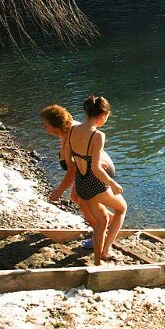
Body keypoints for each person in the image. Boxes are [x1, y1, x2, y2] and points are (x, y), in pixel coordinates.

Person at [57, 95, 127, 265]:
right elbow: (96, 169)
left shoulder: (72, 130)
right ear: (103, 115)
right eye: (107, 117)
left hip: (81, 185)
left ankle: (98, 260)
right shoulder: (98, 135)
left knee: (101, 223)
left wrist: (84, 162)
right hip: (95, 185)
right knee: (121, 209)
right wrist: (112, 183)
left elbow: (68, 161)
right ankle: (105, 251)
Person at [41, 104, 115, 232]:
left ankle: (100, 231)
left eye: (47, 125)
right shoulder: (66, 131)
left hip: (98, 170)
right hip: (87, 169)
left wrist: (58, 192)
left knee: (84, 203)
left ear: (56, 125)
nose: (45, 128)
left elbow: (72, 170)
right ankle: (111, 222)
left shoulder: (71, 133)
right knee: (76, 198)